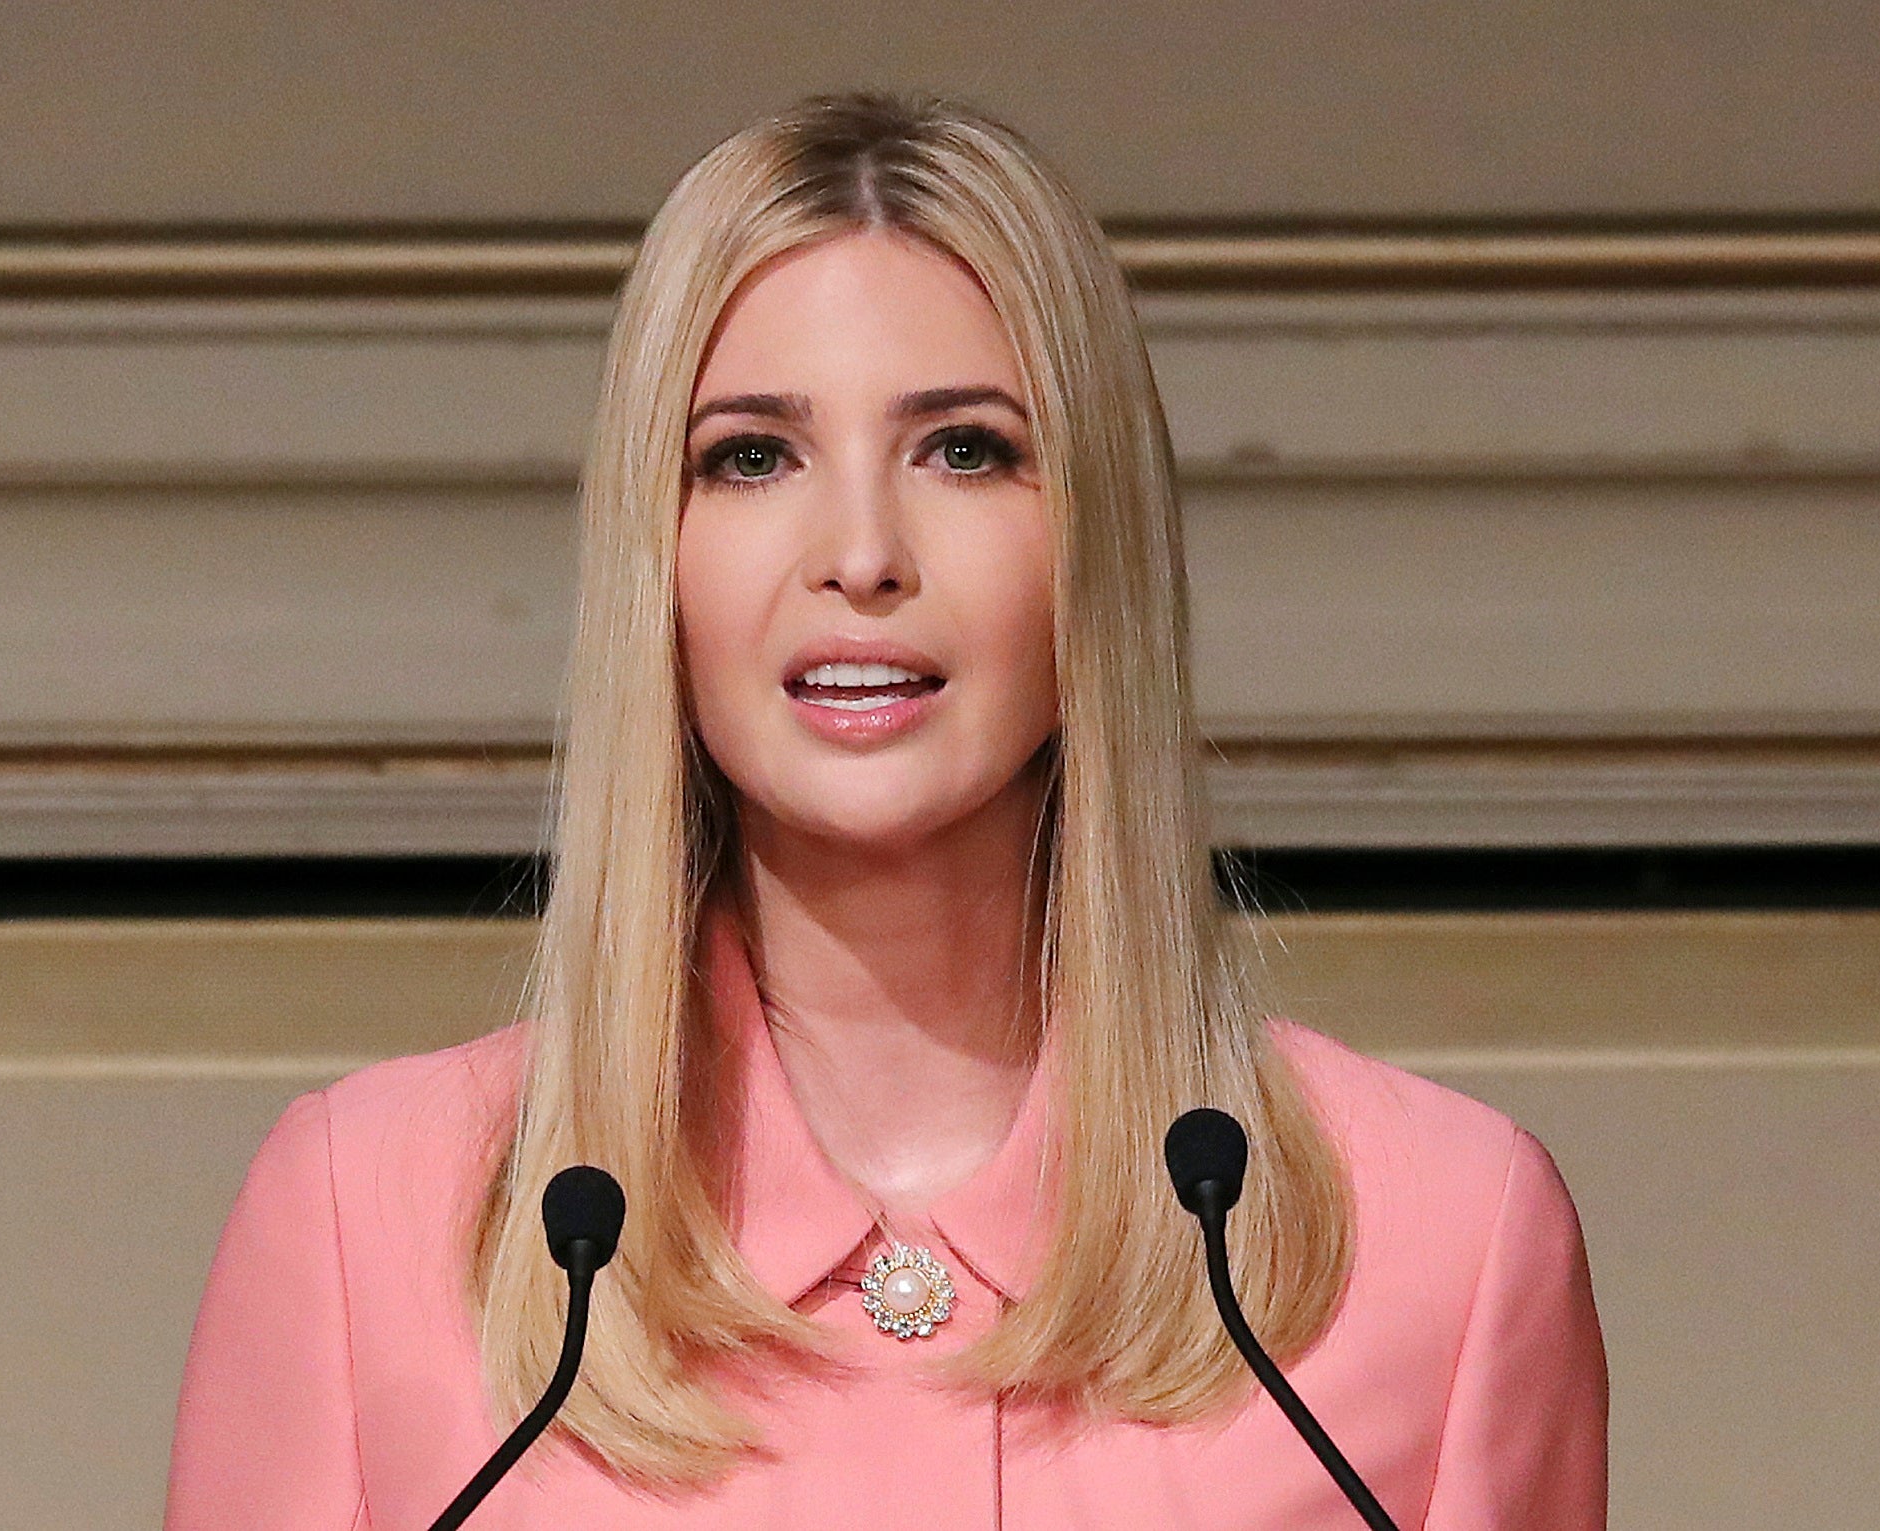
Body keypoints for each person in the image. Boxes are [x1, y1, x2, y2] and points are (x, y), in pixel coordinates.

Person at [166, 93, 1606, 1529]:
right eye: (749, 457)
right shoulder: (369, 1218)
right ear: (652, 560)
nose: (859, 555)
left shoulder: (1446, 1235)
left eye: (965, 449)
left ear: (1092, 538)